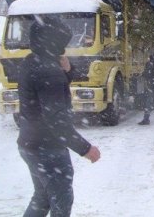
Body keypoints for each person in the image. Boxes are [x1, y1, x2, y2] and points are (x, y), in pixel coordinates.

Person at [17, 16, 100, 216]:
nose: (65, 46)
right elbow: (56, 119)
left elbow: (48, 89)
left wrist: (68, 71)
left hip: (30, 143)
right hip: (48, 148)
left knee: (42, 198)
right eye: (63, 41)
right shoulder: (48, 71)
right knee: (61, 201)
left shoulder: (31, 62)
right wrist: (85, 148)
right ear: (54, 41)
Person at [138, 50, 154, 125]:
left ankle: (146, 119)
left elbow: (147, 73)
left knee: (148, 103)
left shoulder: (149, 64)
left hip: (151, 86)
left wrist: (143, 75)